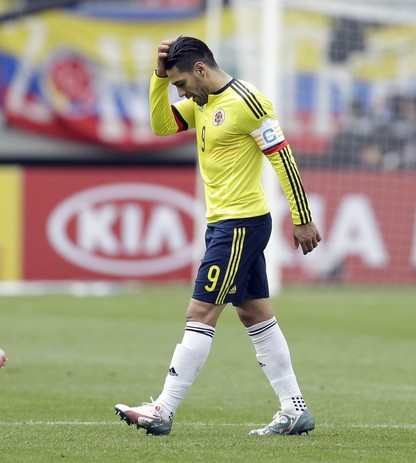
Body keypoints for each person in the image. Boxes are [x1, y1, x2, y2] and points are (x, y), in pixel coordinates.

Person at [114, 36, 321, 436]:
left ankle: (163, 408)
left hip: (240, 225)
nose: (180, 92)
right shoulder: (202, 102)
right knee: (254, 313)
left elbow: (283, 159)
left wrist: (302, 218)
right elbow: (160, 125)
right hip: (225, 224)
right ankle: (294, 409)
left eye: (180, 84)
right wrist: (158, 77)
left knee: (199, 313)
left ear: (201, 70)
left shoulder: (247, 101)